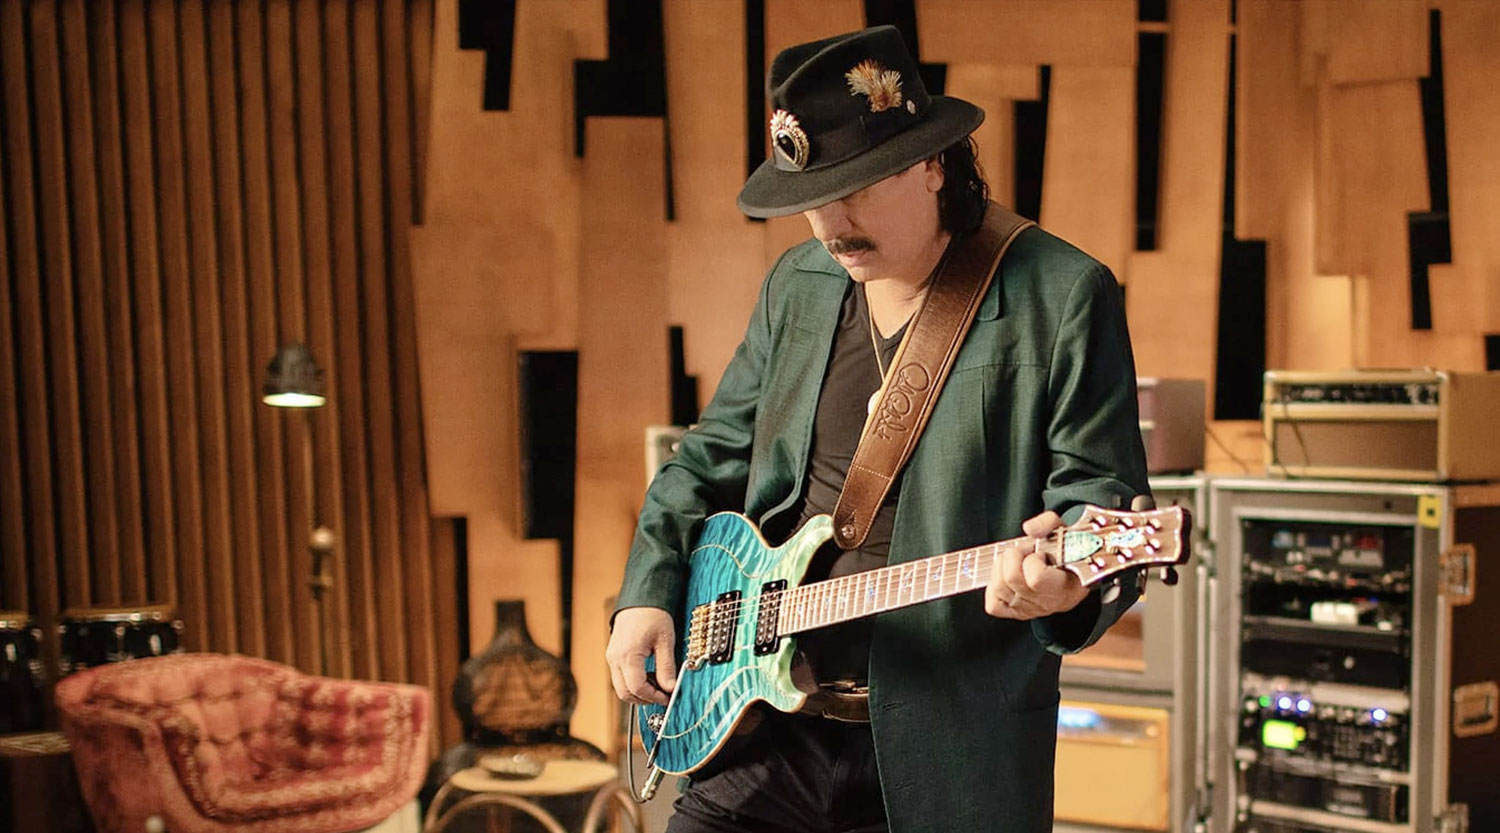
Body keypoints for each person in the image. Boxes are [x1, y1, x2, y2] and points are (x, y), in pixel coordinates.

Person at [605, 25, 1149, 833]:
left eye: (855, 189)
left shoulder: (1062, 294)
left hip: (944, 751)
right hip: (765, 727)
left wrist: (1064, 587)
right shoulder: (798, 283)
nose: (832, 225)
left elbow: (1097, 495)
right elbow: (705, 461)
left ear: (932, 163)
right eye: (812, 198)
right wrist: (646, 593)